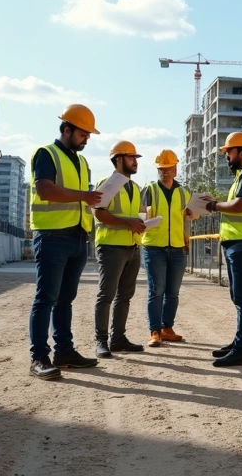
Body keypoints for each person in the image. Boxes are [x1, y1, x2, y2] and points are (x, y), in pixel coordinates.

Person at [27, 104, 104, 380]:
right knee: (45, 298)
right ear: (67, 129)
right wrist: (84, 196)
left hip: (78, 236)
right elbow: (45, 190)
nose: (87, 139)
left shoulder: (81, 162)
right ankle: (38, 357)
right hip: (52, 235)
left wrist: (93, 198)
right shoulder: (46, 153)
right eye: (84, 133)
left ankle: (64, 351)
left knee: (65, 299)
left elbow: (80, 196)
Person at [199, 132, 242, 367]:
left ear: (241, 152)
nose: (227, 156)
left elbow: (239, 206)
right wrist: (216, 202)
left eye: (229, 152)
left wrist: (214, 205)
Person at [92, 141, 147, 358]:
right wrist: (127, 222)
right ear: (119, 159)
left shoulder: (136, 188)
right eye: (132, 157)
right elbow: (99, 213)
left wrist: (143, 223)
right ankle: (101, 340)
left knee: (125, 296)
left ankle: (118, 339)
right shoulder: (106, 184)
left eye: (136, 158)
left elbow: (137, 216)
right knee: (106, 294)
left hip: (133, 246)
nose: (135, 161)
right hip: (111, 246)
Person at [141, 149, 192, 347]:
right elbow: (140, 215)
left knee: (172, 292)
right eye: (161, 168)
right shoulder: (150, 190)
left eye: (168, 168)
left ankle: (167, 328)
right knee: (156, 290)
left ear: (175, 169)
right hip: (154, 247)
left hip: (178, 247)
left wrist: (193, 214)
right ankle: (155, 331)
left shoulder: (184, 192)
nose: (164, 172)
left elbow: (189, 217)